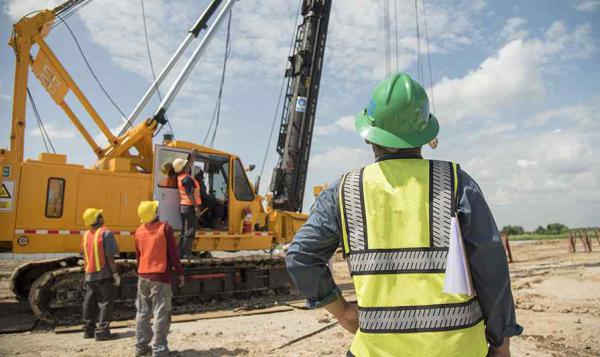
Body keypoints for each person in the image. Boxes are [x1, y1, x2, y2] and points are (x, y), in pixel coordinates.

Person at [285, 73, 522, 357]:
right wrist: (501, 340)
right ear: (425, 135)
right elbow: (490, 267)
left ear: (369, 135)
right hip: (460, 349)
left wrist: (343, 311)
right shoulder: (457, 182)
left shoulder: (344, 190)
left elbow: (301, 258)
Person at [134, 201, 185, 357]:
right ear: (155, 212)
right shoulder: (165, 228)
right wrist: (180, 272)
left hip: (143, 275)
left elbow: (138, 256)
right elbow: (173, 254)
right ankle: (160, 350)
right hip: (160, 276)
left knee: (142, 312)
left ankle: (141, 348)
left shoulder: (139, 231)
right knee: (161, 312)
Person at [81, 208, 120, 341]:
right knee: (106, 302)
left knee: (89, 302)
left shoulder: (86, 235)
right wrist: (115, 273)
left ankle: (88, 330)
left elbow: (84, 254)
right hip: (103, 274)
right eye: (100, 215)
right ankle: (103, 332)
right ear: (98, 219)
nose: (103, 216)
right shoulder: (106, 233)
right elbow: (110, 256)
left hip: (89, 274)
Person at [172, 157, 202, 258]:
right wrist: (196, 207)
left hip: (183, 206)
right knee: (190, 231)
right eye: (187, 165)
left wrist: (193, 155)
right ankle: (186, 254)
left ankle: (180, 252)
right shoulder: (187, 178)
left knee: (184, 231)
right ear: (184, 167)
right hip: (189, 206)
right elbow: (190, 194)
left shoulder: (180, 177)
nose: (189, 166)